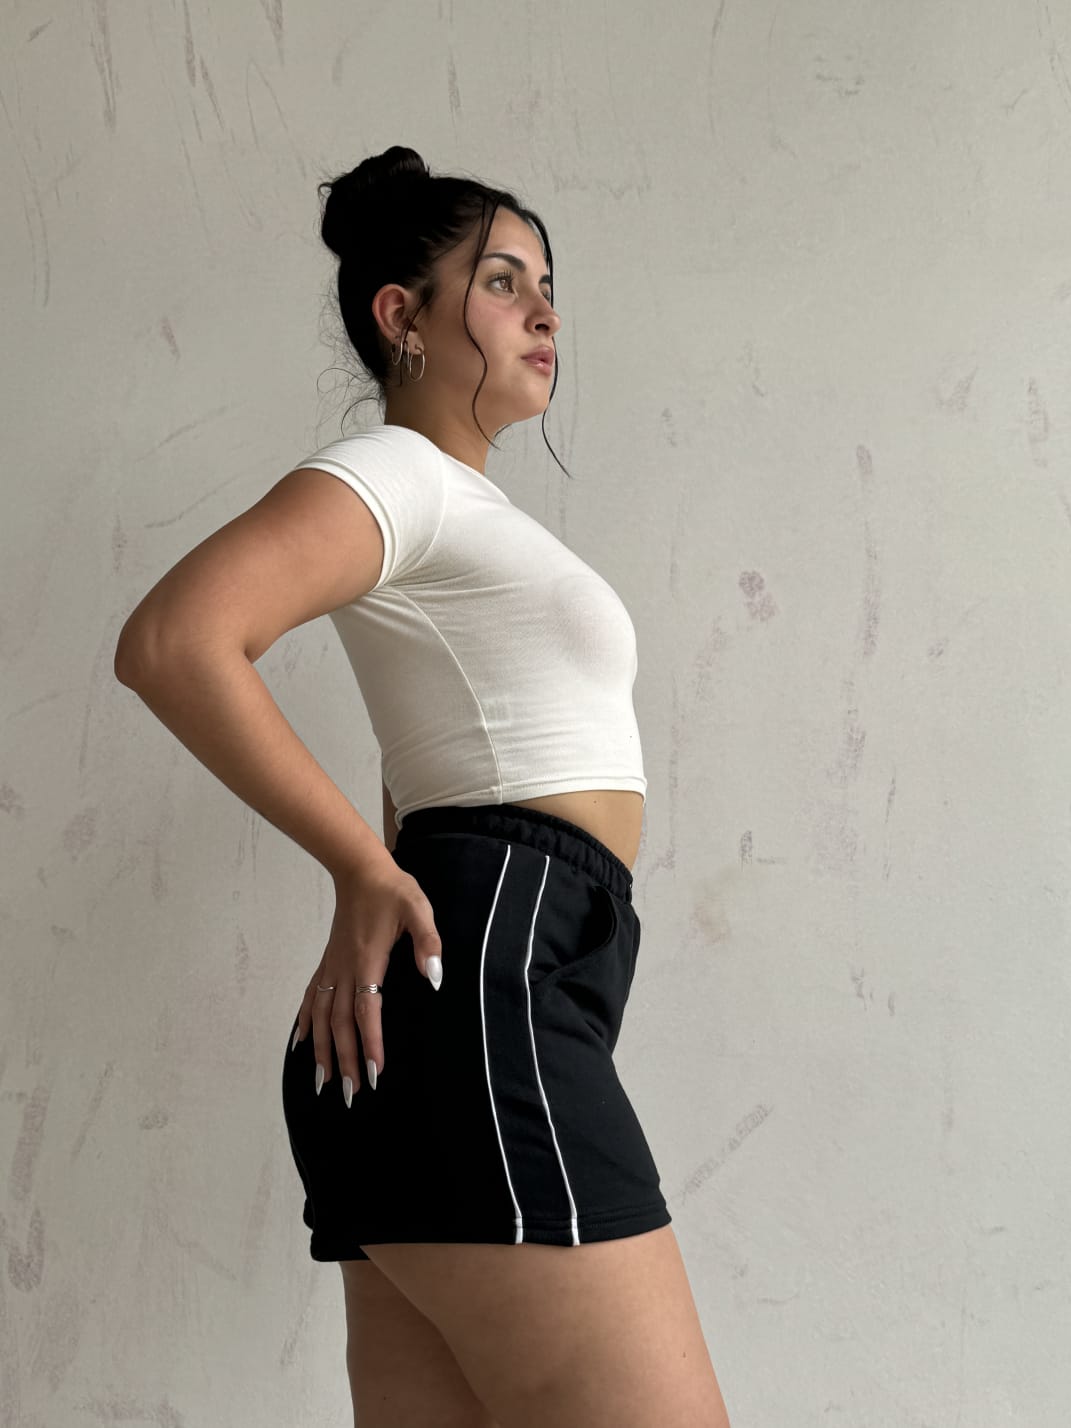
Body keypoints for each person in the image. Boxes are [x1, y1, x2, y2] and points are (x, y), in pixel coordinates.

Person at [114, 146, 732, 1428]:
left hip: (470, 994)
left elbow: (434, 763)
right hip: (494, 995)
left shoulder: (456, 511)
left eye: (548, 286)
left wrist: (379, 872)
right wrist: (359, 865)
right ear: (402, 314)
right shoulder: (398, 476)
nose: (544, 312)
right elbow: (176, 641)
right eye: (502, 283)